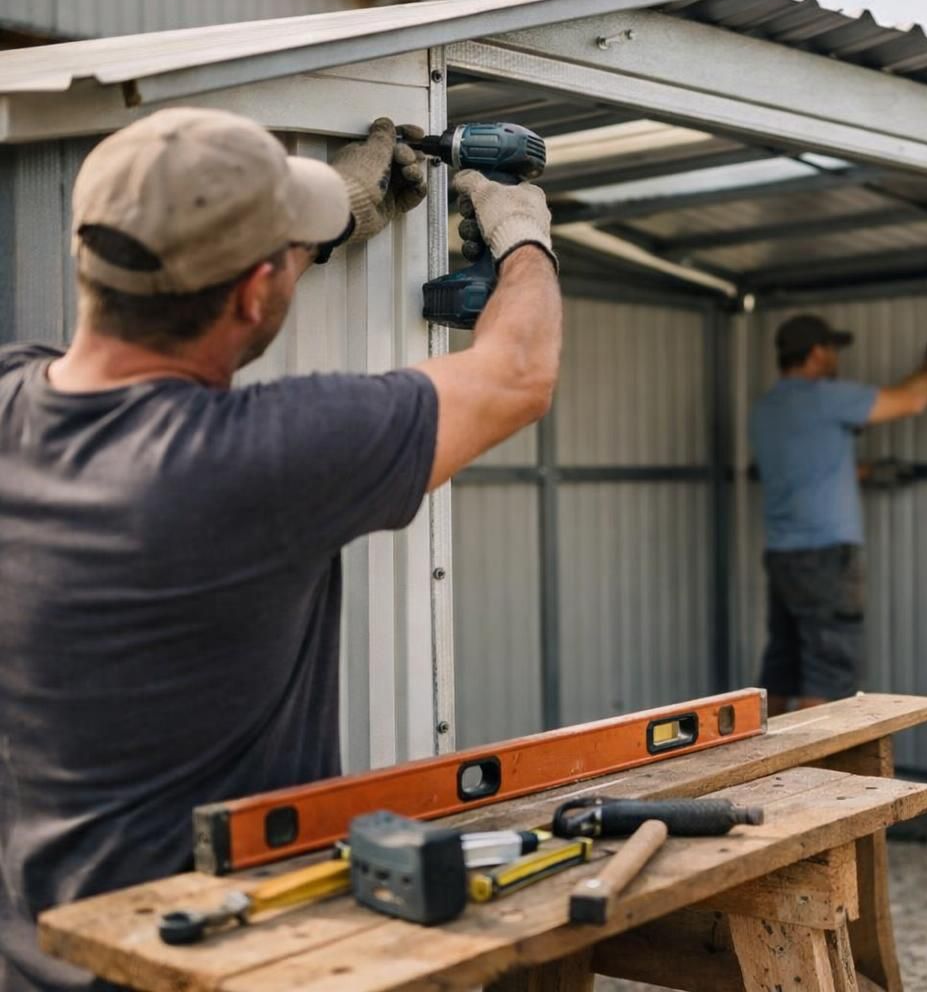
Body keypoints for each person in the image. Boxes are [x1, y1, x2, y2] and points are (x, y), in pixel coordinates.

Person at [0, 108, 561, 992]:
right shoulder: (255, 459)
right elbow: (518, 373)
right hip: (220, 962)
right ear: (256, 293)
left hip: (42, 960)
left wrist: (322, 217)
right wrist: (523, 237)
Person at [748, 314, 927, 716]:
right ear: (817, 352)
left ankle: (767, 771)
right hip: (826, 557)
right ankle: (816, 775)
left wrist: (866, 471)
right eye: (833, 349)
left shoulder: (767, 409)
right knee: (828, 673)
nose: (836, 358)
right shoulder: (824, 398)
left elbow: (803, 465)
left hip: (783, 556)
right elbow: (912, 400)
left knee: (783, 667)